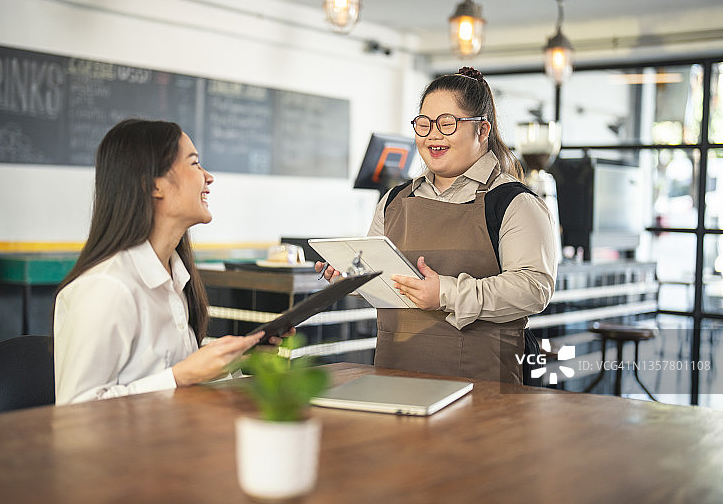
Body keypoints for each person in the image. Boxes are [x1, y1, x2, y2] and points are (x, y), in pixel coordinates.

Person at [317, 67, 557, 384]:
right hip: (394, 377)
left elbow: (534, 289)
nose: (433, 135)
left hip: (481, 385)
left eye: (447, 124)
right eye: (424, 124)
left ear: (482, 130)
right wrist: (352, 279)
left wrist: (446, 292)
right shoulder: (393, 201)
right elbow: (387, 284)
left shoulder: (514, 203)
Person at [54, 118, 287, 404]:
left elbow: (177, 389)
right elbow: (74, 410)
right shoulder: (107, 287)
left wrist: (232, 363)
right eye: (194, 163)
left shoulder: (177, 278)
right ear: (153, 185)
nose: (208, 177)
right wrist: (179, 376)